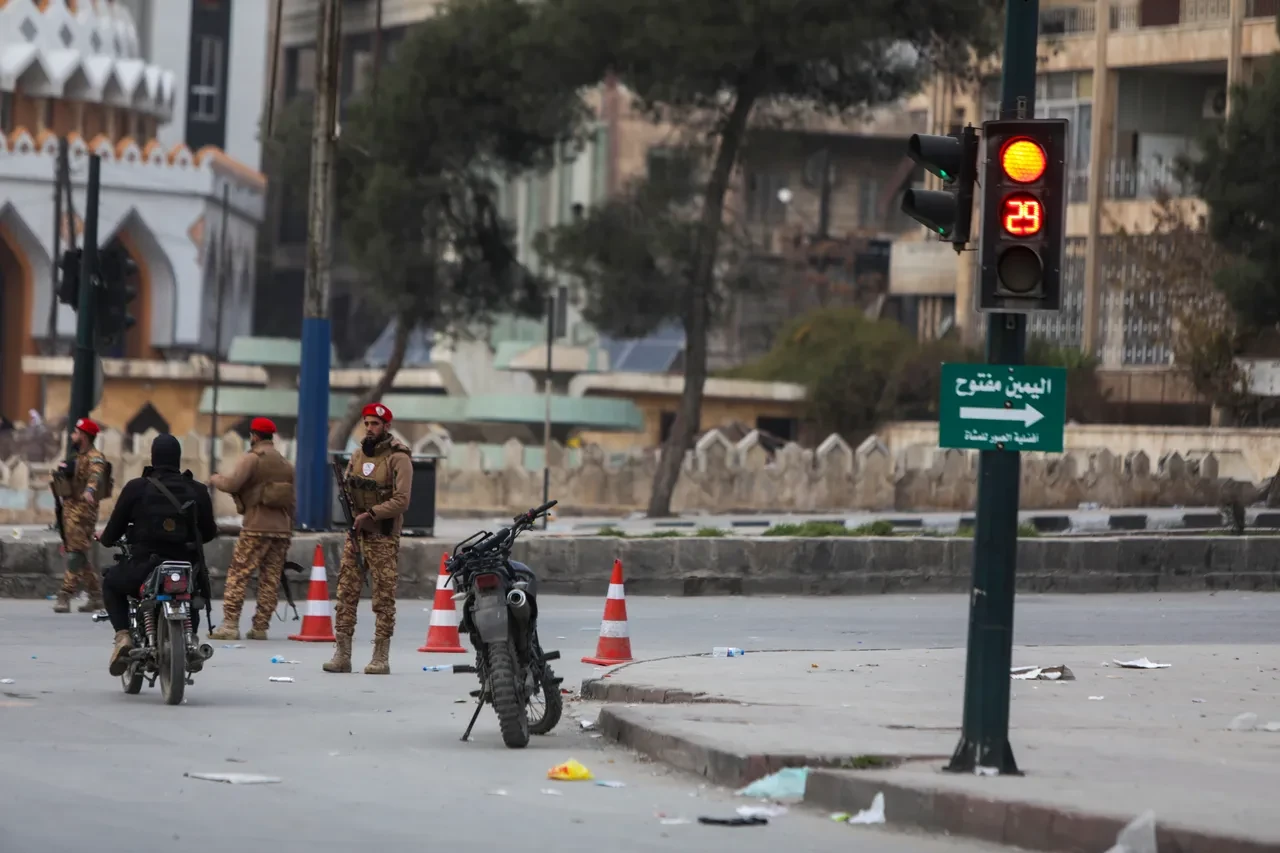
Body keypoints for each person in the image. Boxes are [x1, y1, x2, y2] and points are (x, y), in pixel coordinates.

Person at [98, 434, 218, 677]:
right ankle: (191, 640)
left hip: (145, 566)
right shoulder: (197, 490)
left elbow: (112, 532)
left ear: (153, 457)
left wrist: (106, 539)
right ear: (178, 458)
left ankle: (123, 637)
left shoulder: (137, 488)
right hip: (186, 566)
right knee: (192, 591)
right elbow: (208, 532)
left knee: (111, 582)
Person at [324, 403, 413, 676]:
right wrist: (356, 516)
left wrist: (371, 514)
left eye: (375, 423)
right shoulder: (358, 455)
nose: (370, 428)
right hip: (357, 534)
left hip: (383, 536)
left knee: (383, 599)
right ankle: (342, 654)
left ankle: (380, 656)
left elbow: (402, 500)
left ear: (386, 426)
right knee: (345, 594)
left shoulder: (399, 458)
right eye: (367, 423)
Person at [207, 417, 295, 641]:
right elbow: (292, 502)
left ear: (254, 436)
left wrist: (216, 479)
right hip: (281, 530)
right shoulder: (286, 464)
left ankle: (229, 625)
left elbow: (233, 484)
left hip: (256, 527)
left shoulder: (253, 459)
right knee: (270, 578)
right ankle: (260, 627)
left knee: (239, 574)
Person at [51, 418, 112, 614]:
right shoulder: (76, 456)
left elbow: (96, 474)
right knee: (79, 552)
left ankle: (65, 594)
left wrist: (90, 491)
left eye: (75, 432)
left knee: (75, 553)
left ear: (84, 436)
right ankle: (96, 596)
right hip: (70, 509)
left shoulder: (95, 457)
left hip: (83, 512)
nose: (72, 436)